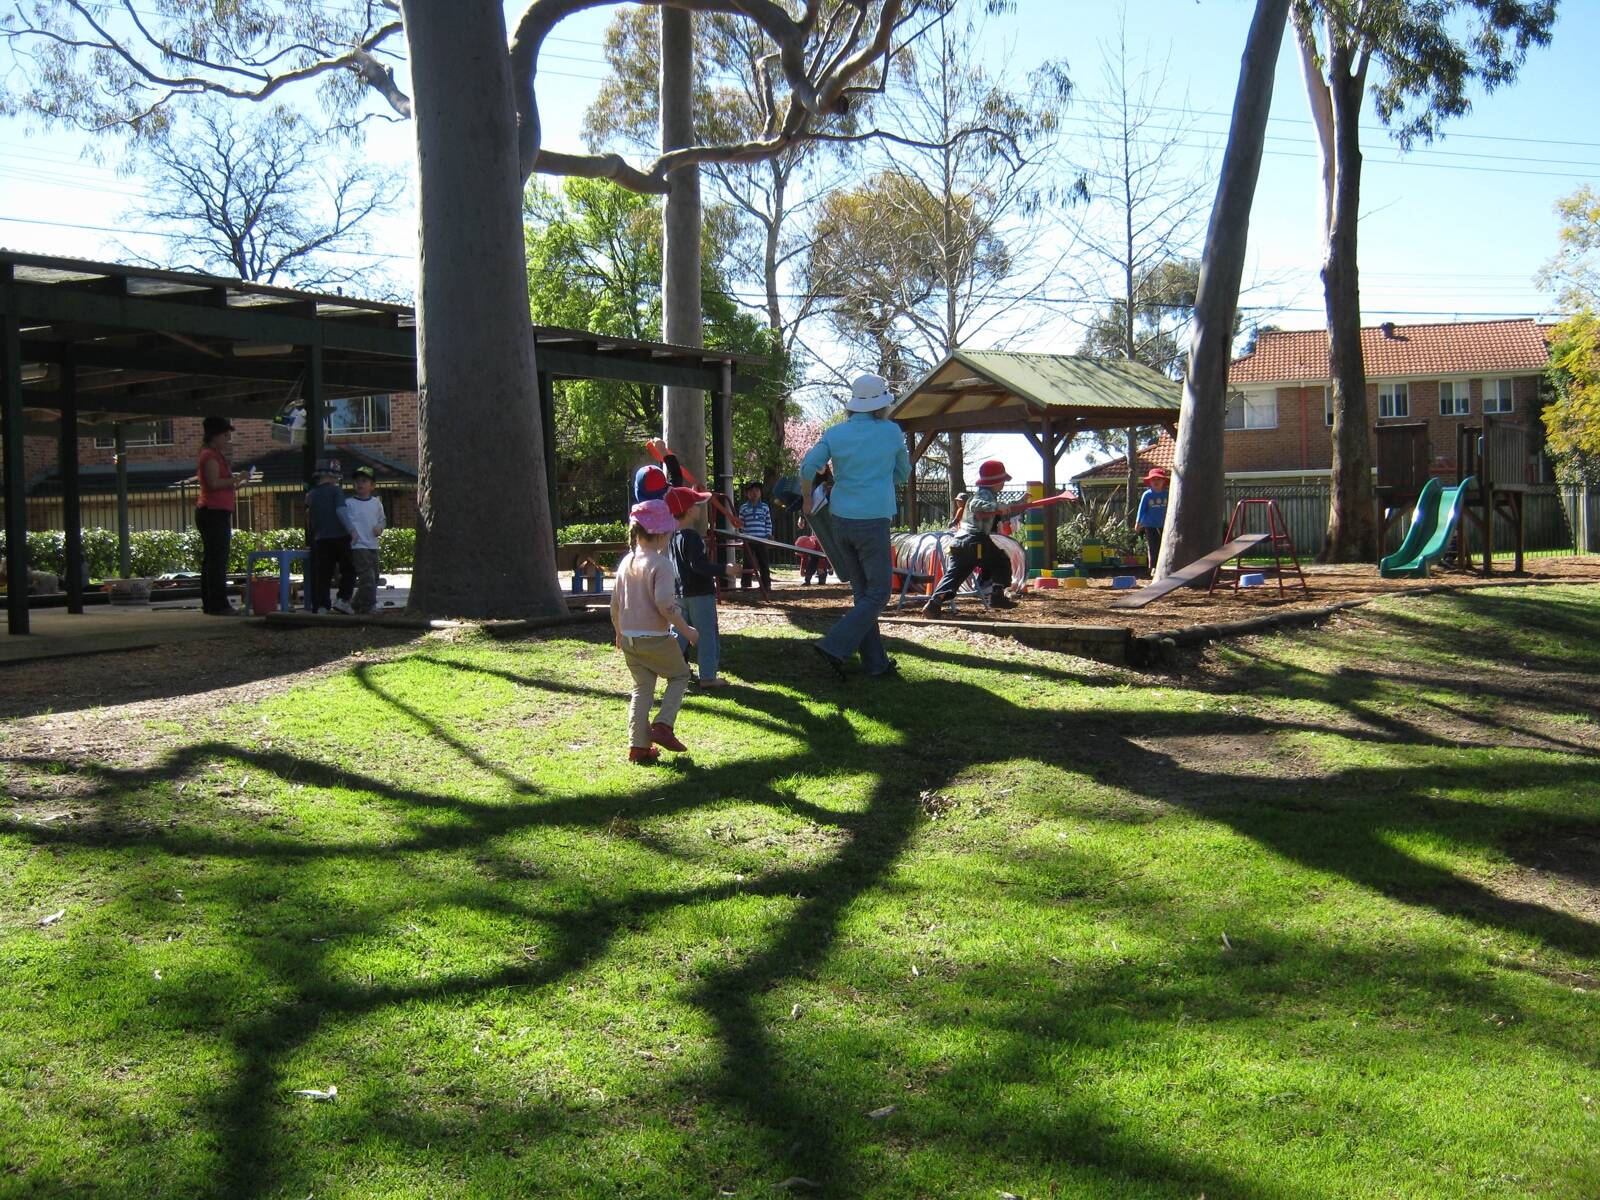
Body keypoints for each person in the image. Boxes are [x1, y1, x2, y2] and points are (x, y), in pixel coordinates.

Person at [799, 373, 910, 681]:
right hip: (873, 520)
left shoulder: (835, 434)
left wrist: (808, 499)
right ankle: (835, 644)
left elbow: (808, 466)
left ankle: (876, 664)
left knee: (864, 595)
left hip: (840, 520)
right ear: (881, 405)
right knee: (880, 593)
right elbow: (903, 472)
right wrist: (882, 478)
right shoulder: (890, 432)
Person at [610, 499, 699, 764]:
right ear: (660, 533)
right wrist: (687, 630)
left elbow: (615, 604)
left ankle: (638, 747)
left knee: (642, 689)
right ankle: (663, 725)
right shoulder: (661, 564)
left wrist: (618, 632)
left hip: (629, 640)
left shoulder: (627, 562)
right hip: (655, 639)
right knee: (680, 676)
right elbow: (665, 605)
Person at [922, 460, 1020, 617]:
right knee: (1001, 560)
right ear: (995, 482)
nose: (1003, 484)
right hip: (975, 540)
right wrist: (996, 507)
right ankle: (997, 595)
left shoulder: (988, 496)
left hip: (960, 542)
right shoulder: (985, 495)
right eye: (1002, 481)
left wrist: (1003, 507)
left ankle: (934, 604)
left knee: (955, 575)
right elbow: (976, 505)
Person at [665, 484, 730, 689]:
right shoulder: (692, 536)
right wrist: (724, 570)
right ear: (691, 510)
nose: (701, 508)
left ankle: (670, 670)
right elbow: (698, 565)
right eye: (698, 504)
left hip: (679, 594)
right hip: (700, 594)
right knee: (707, 635)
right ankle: (708, 677)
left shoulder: (671, 538)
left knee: (680, 633)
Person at [195, 416, 256, 616]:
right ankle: (218, 604)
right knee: (217, 560)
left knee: (213, 559)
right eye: (224, 434)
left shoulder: (215, 454)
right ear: (214, 435)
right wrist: (236, 478)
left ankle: (211, 602)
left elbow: (222, 484)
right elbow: (213, 483)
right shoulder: (209, 455)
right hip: (213, 512)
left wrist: (237, 483)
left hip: (216, 510)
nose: (227, 438)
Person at [305, 458, 357, 614]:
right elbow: (341, 511)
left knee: (323, 573)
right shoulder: (336, 491)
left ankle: (322, 605)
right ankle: (343, 600)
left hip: (321, 539)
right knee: (348, 570)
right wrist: (352, 530)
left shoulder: (312, 495)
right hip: (340, 536)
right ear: (331, 475)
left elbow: (310, 518)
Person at [344, 466, 386, 613]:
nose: (360, 484)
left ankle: (363, 605)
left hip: (373, 545)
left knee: (374, 577)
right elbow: (346, 523)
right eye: (357, 481)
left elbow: (382, 520)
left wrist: (380, 528)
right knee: (367, 578)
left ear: (372, 486)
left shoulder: (376, 502)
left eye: (364, 481)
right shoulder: (349, 503)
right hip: (358, 546)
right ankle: (362, 605)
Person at [737, 480, 773, 597]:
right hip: (748, 539)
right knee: (748, 562)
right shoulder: (743, 508)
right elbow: (740, 523)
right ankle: (746, 584)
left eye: (757, 491)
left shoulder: (764, 507)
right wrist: (741, 533)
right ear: (747, 494)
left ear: (760, 493)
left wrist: (768, 534)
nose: (754, 493)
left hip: (761, 539)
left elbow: (768, 522)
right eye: (751, 491)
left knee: (764, 562)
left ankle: (766, 584)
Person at [1135, 467, 1170, 575]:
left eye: (1158, 479)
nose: (1156, 482)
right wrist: (1138, 522)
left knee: (1164, 545)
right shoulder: (1147, 495)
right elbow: (1141, 509)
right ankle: (1153, 567)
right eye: (1153, 480)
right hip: (1150, 525)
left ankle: (1165, 566)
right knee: (1153, 546)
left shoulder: (1167, 494)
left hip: (1165, 525)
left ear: (1163, 481)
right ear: (1150, 482)